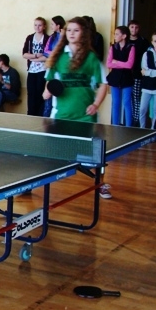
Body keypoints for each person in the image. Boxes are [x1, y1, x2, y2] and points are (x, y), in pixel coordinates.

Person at [43, 16, 111, 199]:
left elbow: (103, 84)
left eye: (76, 30)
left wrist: (96, 104)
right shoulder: (58, 58)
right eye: (69, 30)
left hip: (85, 117)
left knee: (96, 156)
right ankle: (30, 185)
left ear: (84, 34)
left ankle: (101, 184)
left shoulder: (91, 58)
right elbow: (49, 83)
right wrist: (47, 92)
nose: (72, 33)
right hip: (61, 115)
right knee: (51, 155)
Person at [106, 26, 135, 126]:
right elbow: (109, 64)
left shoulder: (131, 48)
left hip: (127, 79)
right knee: (115, 103)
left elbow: (129, 65)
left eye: (117, 34)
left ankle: (128, 126)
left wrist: (116, 62)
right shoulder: (113, 47)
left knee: (126, 103)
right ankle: (115, 125)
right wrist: (122, 64)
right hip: (115, 78)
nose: (115, 36)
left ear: (124, 36)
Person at [22, 17, 50, 116]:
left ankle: (39, 116)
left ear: (44, 26)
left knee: (40, 94)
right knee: (31, 94)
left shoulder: (47, 38)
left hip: (42, 70)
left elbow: (47, 56)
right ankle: (30, 115)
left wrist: (35, 58)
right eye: (35, 25)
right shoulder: (30, 38)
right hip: (31, 70)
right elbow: (24, 54)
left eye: (40, 25)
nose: (37, 27)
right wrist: (36, 55)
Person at [42, 16, 66, 117]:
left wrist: (55, 54)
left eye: (52, 24)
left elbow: (64, 51)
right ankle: (46, 118)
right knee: (47, 96)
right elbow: (46, 51)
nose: (51, 26)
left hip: (62, 70)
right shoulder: (52, 37)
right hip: (51, 67)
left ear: (58, 25)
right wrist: (54, 54)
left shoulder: (65, 37)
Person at [128, 20, 149, 127]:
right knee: (128, 98)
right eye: (132, 27)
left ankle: (136, 120)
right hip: (126, 74)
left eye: (136, 27)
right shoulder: (125, 40)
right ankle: (129, 118)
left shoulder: (143, 42)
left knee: (137, 97)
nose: (134, 29)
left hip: (138, 74)